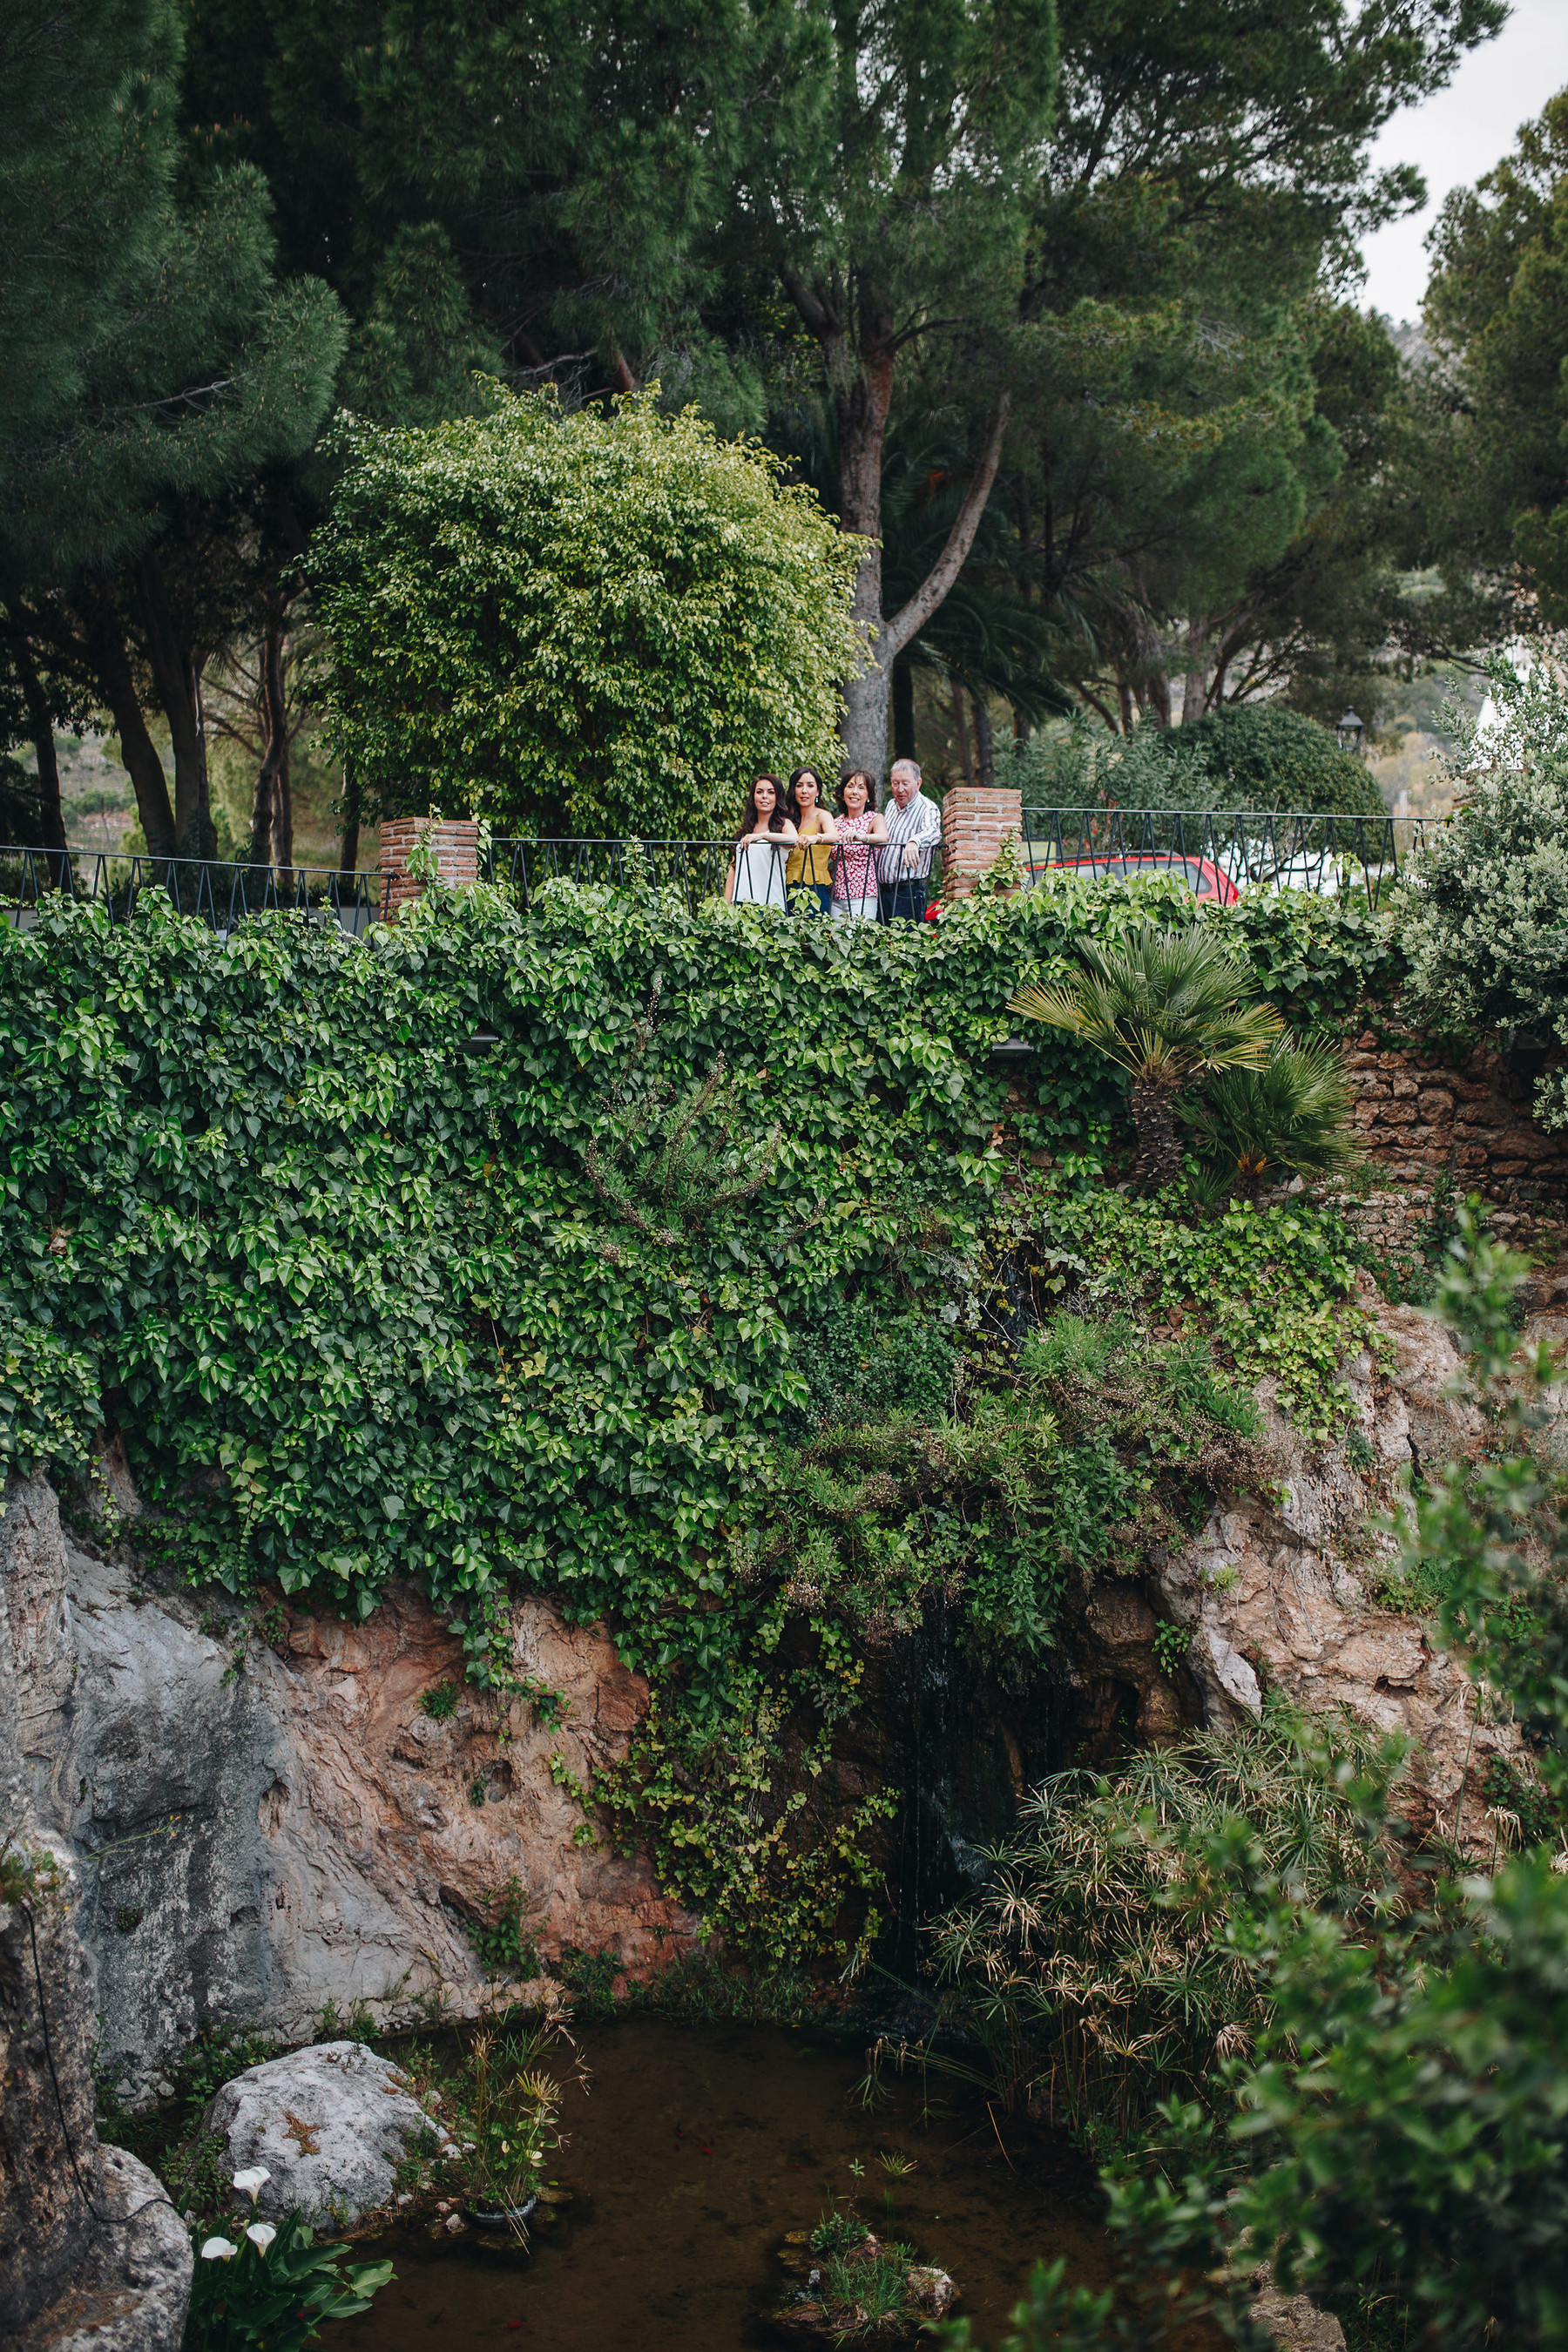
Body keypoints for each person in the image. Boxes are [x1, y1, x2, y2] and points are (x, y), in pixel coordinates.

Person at [878, 758, 942, 922]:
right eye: (895, 783)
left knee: (905, 944)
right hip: (882, 890)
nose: (899, 789)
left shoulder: (927, 808)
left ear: (918, 783)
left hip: (908, 892)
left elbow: (933, 832)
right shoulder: (891, 806)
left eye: (905, 784)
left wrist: (914, 842)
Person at [725, 774, 796, 907]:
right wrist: (726, 906)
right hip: (742, 902)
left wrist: (763, 836)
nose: (764, 796)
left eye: (771, 792)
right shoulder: (746, 828)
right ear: (753, 797)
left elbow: (794, 840)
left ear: (777, 797)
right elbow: (734, 869)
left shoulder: (784, 824)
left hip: (770, 904)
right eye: (759, 792)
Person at [830, 769, 887, 921]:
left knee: (858, 942)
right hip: (837, 895)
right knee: (837, 943)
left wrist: (861, 837)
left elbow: (883, 839)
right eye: (850, 786)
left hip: (863, 894)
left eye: (861, 788)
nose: (855, 792)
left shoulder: (874, 818)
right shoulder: (835, 822)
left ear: (868, 795)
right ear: (842, 793)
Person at [784, 767, 837, 913]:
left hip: (815, 886)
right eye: (799, 786)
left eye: (810, 786)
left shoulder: (823, 815)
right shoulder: (789, 819)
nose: (804, 791)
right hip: (789, 885)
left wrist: (815, 838)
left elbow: (834, 836)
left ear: (818, 791)